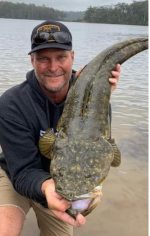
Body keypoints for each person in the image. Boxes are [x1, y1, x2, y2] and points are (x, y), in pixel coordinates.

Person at [0, 20, 121, 236]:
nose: (53, 67)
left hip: (61, 189)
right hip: (15, 173)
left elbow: (106, 149)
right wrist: (45, 186)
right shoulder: (11, 104)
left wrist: (100, 97)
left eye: (61, 57)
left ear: (72, 57)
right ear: (32, 60)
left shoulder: (96, 104)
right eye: (44, 58)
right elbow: (23, 170)